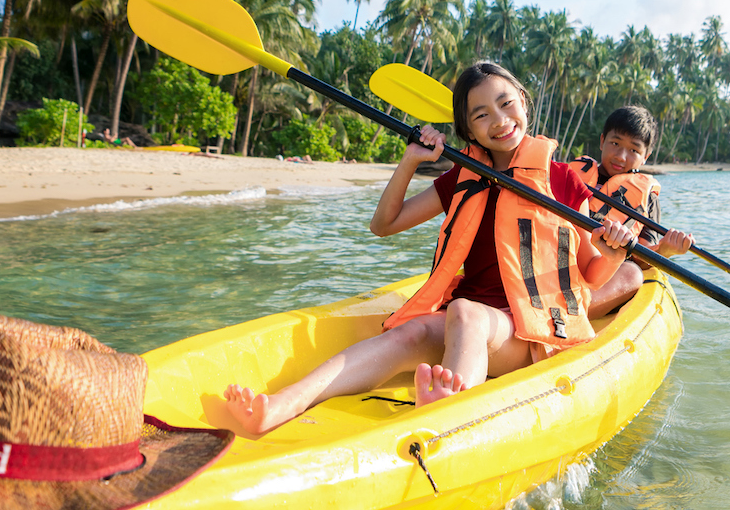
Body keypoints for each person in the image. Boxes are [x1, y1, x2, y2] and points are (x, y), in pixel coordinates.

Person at [224, 61, 644, 434]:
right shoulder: (464, 176)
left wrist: (612, 251)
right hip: (468, 328)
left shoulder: (562, 180)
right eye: (482, 115)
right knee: (410, 333)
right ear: (469, 130)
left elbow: (590, 276)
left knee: (465, 313)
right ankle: (282, 406)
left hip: (529, 332)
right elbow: (384, 225)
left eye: (505, 103)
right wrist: (411, 161)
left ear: (523, 99)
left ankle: (448, 421)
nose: (499, 120)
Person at [571, 106, 695, 318]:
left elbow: (642, 258)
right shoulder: (573, 174)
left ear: (645, 156)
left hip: (603, 273)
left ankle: (574, 313)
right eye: (615, 143)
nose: (621, 156)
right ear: (602, 141)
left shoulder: (648, 199)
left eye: (634, 150)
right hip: (564, 256)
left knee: (632, 274)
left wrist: (664, 250)